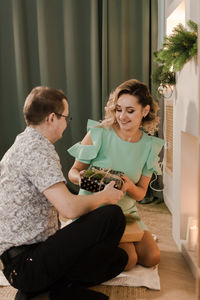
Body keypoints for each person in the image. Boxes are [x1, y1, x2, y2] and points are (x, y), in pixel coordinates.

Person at [0, 87, 128, 300]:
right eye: (66, 118)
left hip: (26, 258)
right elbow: (68, 209)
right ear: (52, 118)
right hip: (26, 265)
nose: (67, 124)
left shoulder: (24, 141)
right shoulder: (37, 150)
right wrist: (105, 196)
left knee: (118, 259)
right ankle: (49, 289)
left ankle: (48, 290)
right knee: (112, 215)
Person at [68, 79, 165, 271]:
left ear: (145, 111)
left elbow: (141, 194)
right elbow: (73, 172)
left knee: (152, 257)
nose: (122, 116)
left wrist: (128, 186)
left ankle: (105, 244)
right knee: (127, 260)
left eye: (130, 111)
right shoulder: (99, 133)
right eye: (119, 109)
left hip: (126, 212)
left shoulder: (149, 146)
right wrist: (89, 180)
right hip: (94, 209)